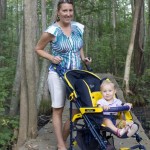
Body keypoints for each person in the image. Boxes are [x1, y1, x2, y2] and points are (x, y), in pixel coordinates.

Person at [35, 0, 91, 150]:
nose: (68, 14)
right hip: (58, 74)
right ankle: (61, 145)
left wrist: (83, 58)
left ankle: (63, 137)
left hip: (76, 75)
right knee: (58, 109)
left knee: (78, 109)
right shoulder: (52, 31)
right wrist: (51, 58)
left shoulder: (78, 28)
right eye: (64, 11)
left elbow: (79, 47)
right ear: (58, 12)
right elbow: (38, 48)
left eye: (70, 10)